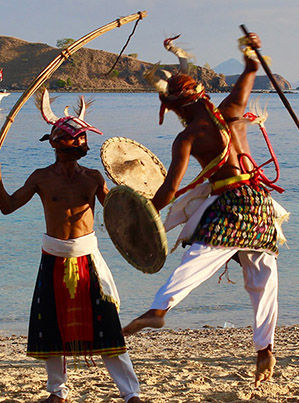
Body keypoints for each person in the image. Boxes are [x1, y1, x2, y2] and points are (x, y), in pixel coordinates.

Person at [122, 33, 288, 384]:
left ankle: (159, 308)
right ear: (202, 95)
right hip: (258, 204)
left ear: (177, 108)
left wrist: (143, 215)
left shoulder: (188, 137)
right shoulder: (231, 111)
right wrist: (250, 49)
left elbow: (168, 190)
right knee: (263, 280)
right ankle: (264, 349)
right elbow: (251, 71)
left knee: (199, 258)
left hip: (229, 205)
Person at [0, 90, 142, 403]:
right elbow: (7, 207)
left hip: (88, 258)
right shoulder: (41, 178)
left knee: (108, 323)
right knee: (50, 326)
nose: (80, 144)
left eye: (82, 139)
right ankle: (58, 391)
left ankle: (130, 393)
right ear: (56, 143)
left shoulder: (94, 177)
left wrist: (136, 199)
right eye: (75, 139)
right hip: (53, 258)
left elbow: (116, 214)